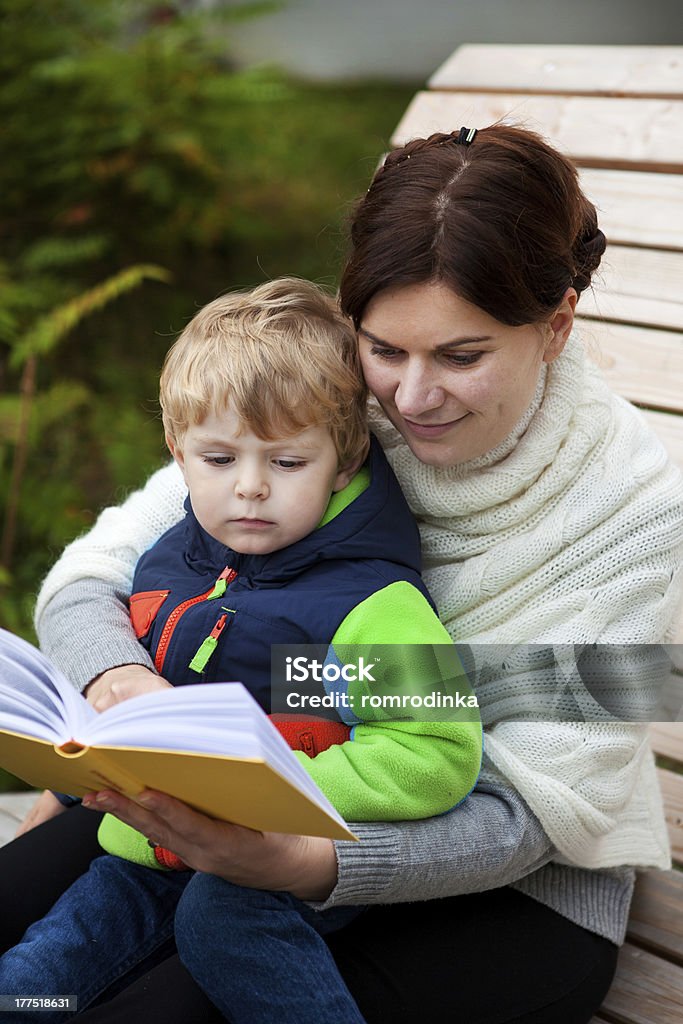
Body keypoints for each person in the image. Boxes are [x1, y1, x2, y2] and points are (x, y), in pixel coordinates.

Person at [2, 123, 683, 1024]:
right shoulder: (322, 407)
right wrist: (118, 687)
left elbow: (521, 816)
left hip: (504, 884)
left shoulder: (632, 513)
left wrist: (300, 861)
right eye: (385, 349)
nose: (409, 398)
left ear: (555, 324)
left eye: (461, 356)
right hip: (233, 790)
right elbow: (93, 578)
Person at [0, 278, 481, 1023]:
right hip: (145, 853)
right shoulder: (169, 568)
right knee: (32, 980)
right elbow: (128, 706)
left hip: (273, 867)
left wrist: (280, 784)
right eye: (219, 460)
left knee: (221, 923)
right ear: (177, 452)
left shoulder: (371, 605)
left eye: (287, 464)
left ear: (345, 457)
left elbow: (436, 749)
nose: (250, 489)